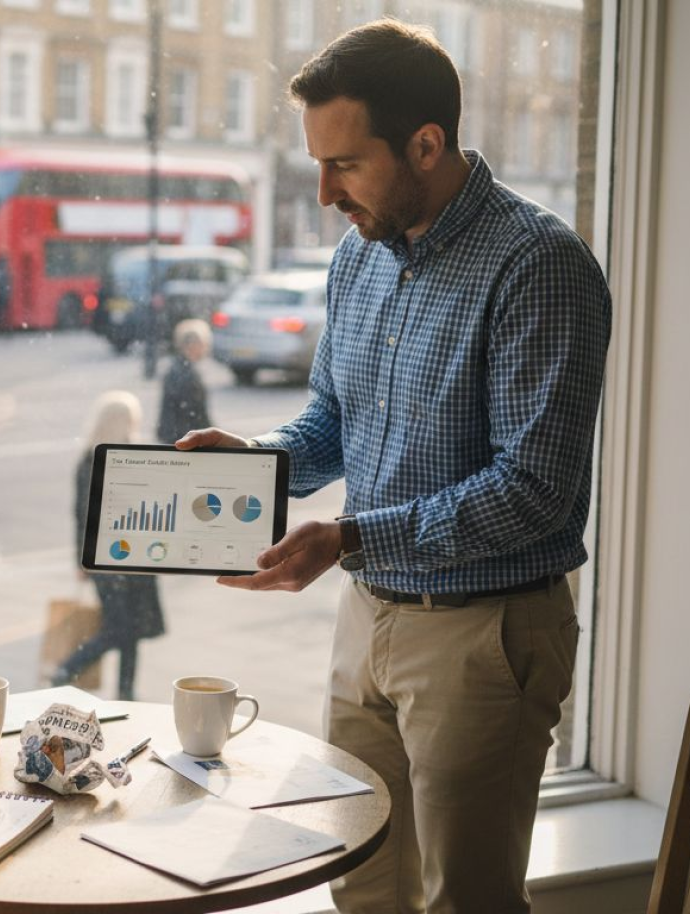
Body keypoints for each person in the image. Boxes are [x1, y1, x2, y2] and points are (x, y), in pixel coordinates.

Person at [176, 20, 611, 914]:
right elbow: (337, 419)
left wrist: (348, 539)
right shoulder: (359, 254)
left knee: (466, 900)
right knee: (360, 883)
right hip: (367, 615)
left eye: (345, 164)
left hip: (483, 635)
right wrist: (257, 463)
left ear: (426, 145)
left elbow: (533, 492)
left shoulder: (540, 265)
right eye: (318, 164)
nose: (325, 192)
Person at [52, 390, 164, 701]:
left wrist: (82, 558)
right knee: (120, 627)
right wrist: (82, 560)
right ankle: (68, 668)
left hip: (113, 557)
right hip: (124, 557)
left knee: (132, 628)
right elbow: (85, 513)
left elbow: (81, 515)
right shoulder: (122, 459)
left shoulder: (91, 459)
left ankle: (126, 690)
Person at [156, 318, 213, 445]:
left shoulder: (176, 368)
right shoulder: (188, 375)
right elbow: (198, 416)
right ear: (192, 345)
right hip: (183, 439)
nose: (206, 348)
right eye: (203, 344)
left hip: (173, 435)